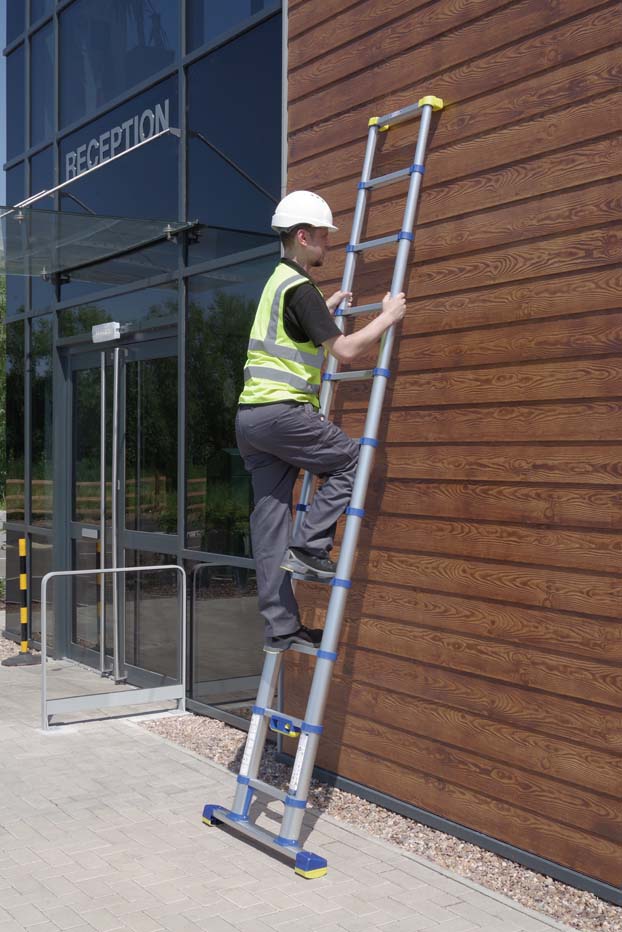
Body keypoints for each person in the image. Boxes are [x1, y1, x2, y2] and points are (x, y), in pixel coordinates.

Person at [235, 190, 406, 651]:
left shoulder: (277, 283)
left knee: (270, 525)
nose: (329, 243)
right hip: (282, 414)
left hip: (251, 420)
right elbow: (345, 351)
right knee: (353, 461)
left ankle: (281, 628)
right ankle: (311, 547)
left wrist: (322, 315)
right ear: (303, 236)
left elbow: (287, 336)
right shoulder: (300, 289)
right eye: (323, 236)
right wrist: (387, 317)